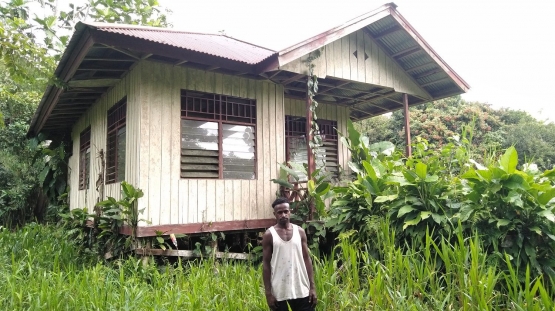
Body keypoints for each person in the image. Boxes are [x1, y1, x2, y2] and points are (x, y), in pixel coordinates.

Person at [262, 197, 317, 311]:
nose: (283, 215)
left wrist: (312, 287)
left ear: (290, 212)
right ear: (275, 214)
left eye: (286, 211)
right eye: (280, 212)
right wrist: (268, 293)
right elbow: (266, 265)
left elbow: (307, 259)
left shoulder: (300, 232)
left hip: (301, 288)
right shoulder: (269, 235)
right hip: (279, 291)